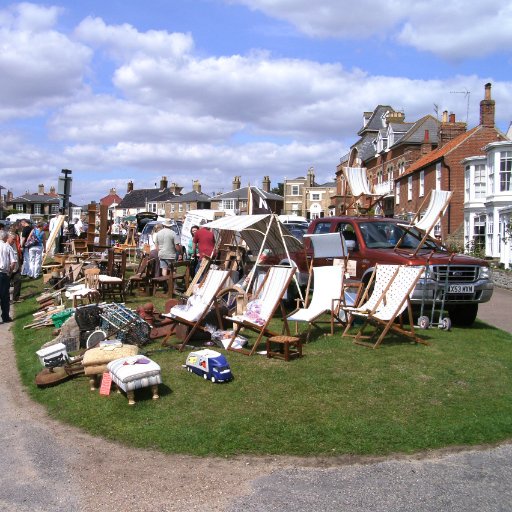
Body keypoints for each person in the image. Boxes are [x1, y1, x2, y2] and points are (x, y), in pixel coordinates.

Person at [0, 230, 17, 323]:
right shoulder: (7, 247)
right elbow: (13, 262)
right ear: (6, 238)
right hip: (3, 273)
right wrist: (10, 271)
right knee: (4, 296)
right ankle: (5, 317)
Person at [7, 229, 21, 303]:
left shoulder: (14, 244)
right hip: (8, 268)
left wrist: (20, 265)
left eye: (15, 239)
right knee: (6, 285)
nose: (14, 240)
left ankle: (16, 297)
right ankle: (7, 299)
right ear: (8, 238)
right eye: (13, 239)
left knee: (18, 281)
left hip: (16, 267)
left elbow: (17, 254)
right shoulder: (4, 246)